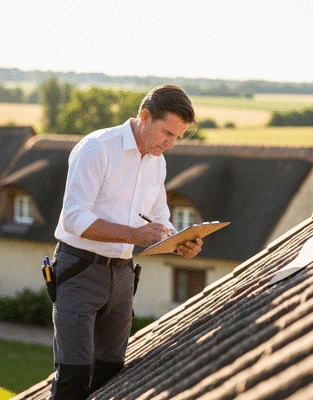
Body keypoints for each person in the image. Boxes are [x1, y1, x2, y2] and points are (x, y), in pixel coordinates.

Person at [49, 84, 203, 399]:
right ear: (144, 116)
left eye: (177, 137)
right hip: (79, 271)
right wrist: (133, 235)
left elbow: (160, 220)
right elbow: (74, 219)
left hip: (122, 277)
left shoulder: (157, 162)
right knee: (73, 377)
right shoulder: (96, 148)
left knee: (111, 374)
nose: (171, 144)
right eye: (167, 133)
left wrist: (179, 242)